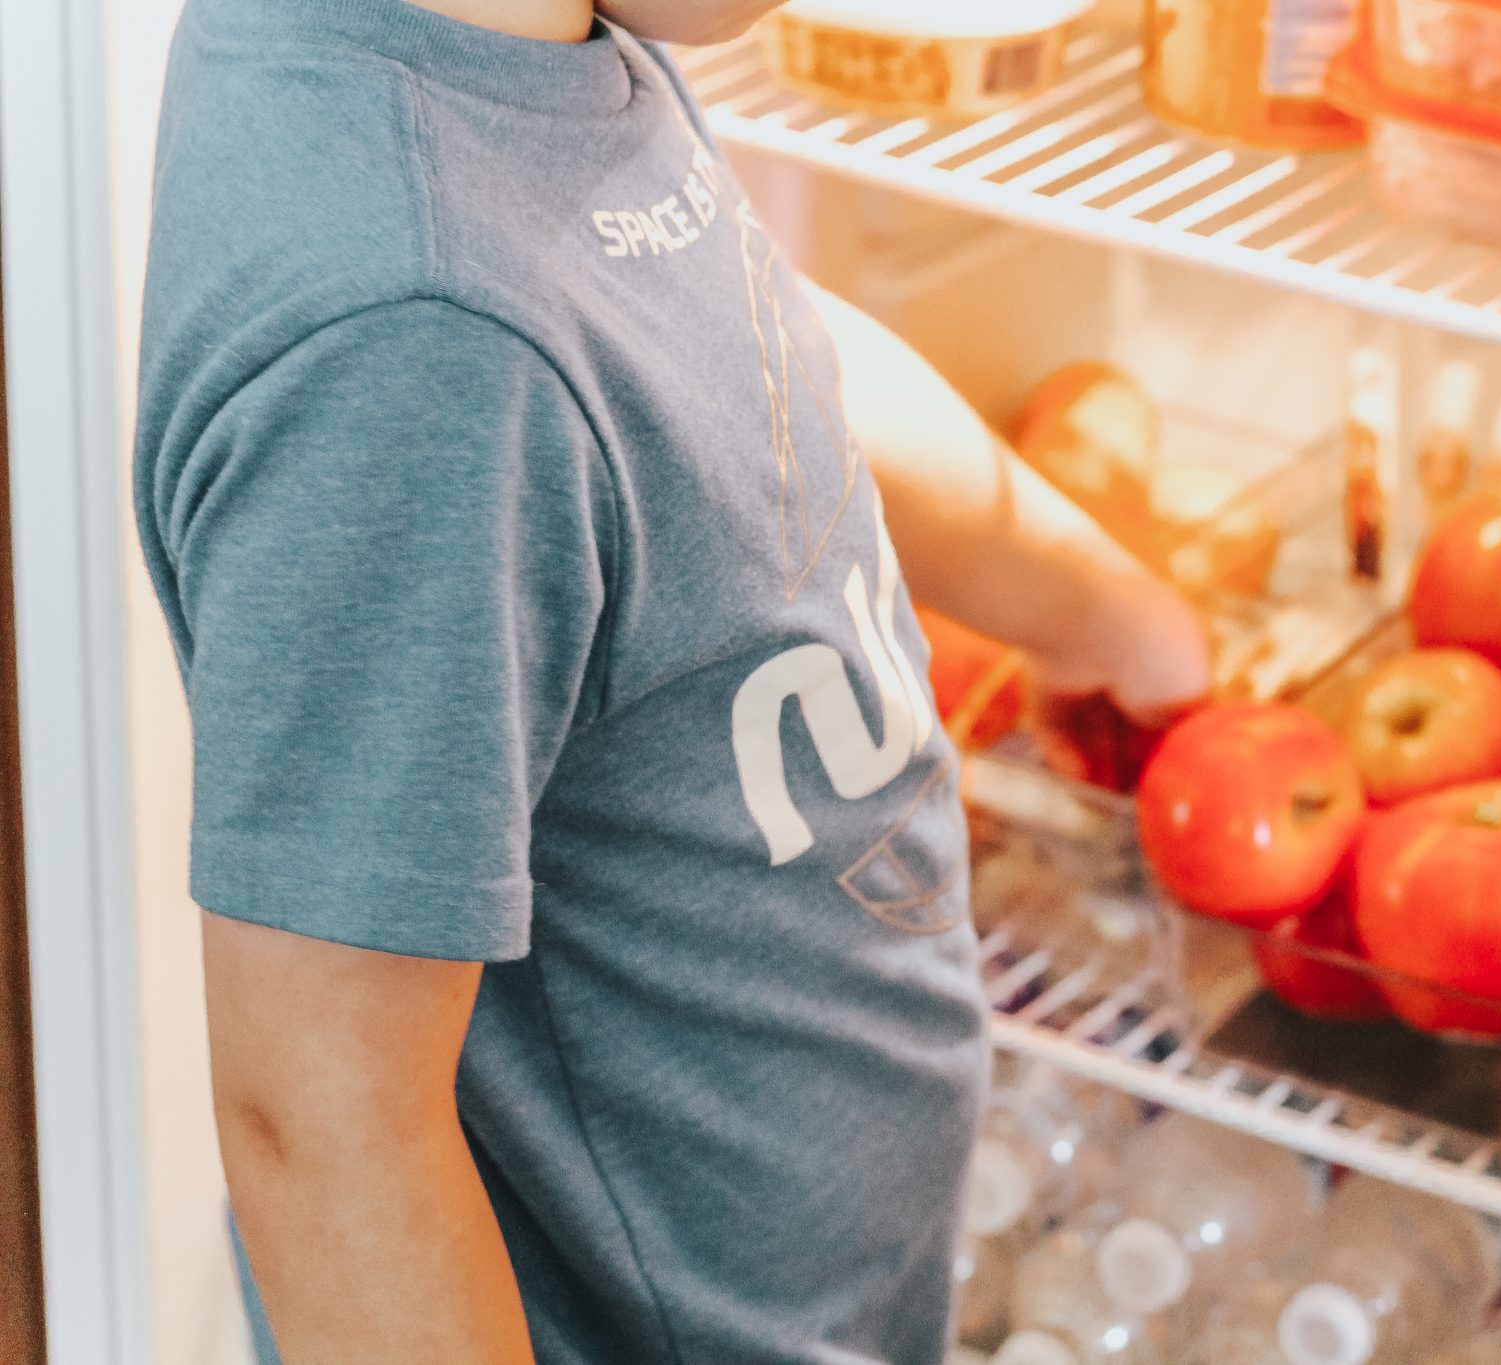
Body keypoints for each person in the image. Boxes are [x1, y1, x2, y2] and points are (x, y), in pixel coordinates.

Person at [132, 0, 1211, 1361]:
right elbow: (325, 1125)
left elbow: (739, 351)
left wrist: (1105, 618)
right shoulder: (418, 345)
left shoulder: (522, 59)